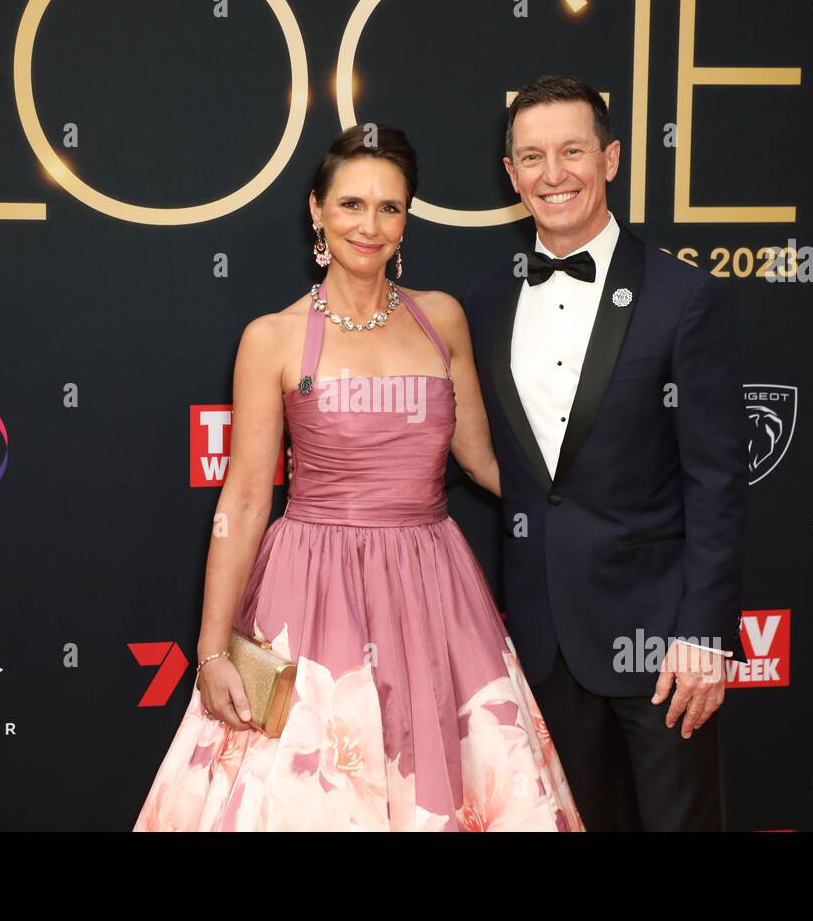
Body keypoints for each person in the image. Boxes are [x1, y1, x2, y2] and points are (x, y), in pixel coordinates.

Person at [132, 124, 583, 831]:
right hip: (309, 588)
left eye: (389, 208)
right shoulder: (272, 338)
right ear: (316, 210)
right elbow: (247, 498)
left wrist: (594, 500)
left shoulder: (443, 320)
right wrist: (212, 648)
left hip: (432, 585)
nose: (368, 226)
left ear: (407, 219)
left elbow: (483, 462)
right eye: (350, 205)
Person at [463, 75, 749, 830]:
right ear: (511, 172)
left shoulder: (685, 298)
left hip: (663, 642)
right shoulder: (485, 303)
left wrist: (704, 634)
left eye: (572, 151)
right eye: (531, 156)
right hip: (541, 637)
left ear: (612, 158)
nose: (552, 174)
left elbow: (717, 480)